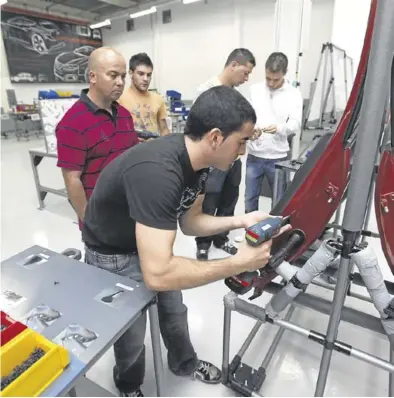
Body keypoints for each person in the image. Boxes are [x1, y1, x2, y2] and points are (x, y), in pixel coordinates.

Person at [82, 86, 289, 397]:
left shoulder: (200, 163)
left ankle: (183, 362)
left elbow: (191, 222)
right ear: (216, 137)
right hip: (113, 253)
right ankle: (128, 385)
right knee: (132, 334)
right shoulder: (158, 172)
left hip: (148, 244)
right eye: (241, 142)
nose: (243, 152)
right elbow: (158, 273)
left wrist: (241, 220)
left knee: (174, 312)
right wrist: (239, 262)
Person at [56, 47, 139, 226]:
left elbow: (131, 159)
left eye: (123, 76)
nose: (120, 82)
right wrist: (90, 223)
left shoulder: (124, 115)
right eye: (113, 75)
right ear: (92, 77)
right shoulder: (72, 123)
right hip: (100, 220)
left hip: (130, 210)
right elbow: (72, 180)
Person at [194, 48, 256, 260]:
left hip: (234, 160)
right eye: (245, 73)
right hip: (213, 161)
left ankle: (221, 238)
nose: (246, 78)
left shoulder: (237, 96)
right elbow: (200, 130)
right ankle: (203, 242)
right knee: (208, 201)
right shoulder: (206, 91)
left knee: (229, 199)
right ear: (233, 65)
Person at [245, 52, 303, 213]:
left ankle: (275, 235)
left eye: (275, 79)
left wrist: (279, 129)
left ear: (285, 73)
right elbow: (247, 117)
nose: (271, 83)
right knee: (250, 199)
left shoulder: (293, 94)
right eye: (268, 78)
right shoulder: (254, 90)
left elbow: (295, 124)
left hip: (278, 159)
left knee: (279, 202)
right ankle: (249, 234)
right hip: (254, 155)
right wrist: (250, 130)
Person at [118, 52, 170, 139]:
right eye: (141, 74)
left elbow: (164, 130)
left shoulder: (158, 99)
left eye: (149, 75)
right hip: (129, 149)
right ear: (131, 73)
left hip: (152, 149)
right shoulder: (119, 97)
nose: (145, 79)